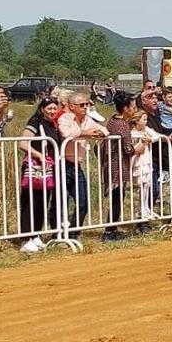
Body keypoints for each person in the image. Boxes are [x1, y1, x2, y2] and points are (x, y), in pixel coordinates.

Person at [57, 92, 108, 239]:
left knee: (83, 201)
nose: (86, 107)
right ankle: (58, 234)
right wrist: (85, 133)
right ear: (72, 106)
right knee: (61, 201)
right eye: (82, 105)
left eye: (87, 104)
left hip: (77, 165)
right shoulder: (64, 118)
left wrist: (100, 133)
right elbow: (66, 133)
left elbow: (103, 129)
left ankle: (73, 233)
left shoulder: (87, 119)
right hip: (62, 164)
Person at [17, 97, 62, 254]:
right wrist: (39, 156)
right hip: (34, 167)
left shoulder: (53, 124)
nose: (52, 111)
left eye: (54, 108)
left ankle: (36, 233)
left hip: (48, 169)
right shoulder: (35, 121)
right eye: (49, 108)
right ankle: (25, 237)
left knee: (43, 201)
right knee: (30, 202)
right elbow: (23, 143)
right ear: (42, 109)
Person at [101, 91, 146, 240]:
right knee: (117, 197)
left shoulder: (113, 120)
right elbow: (128, 149)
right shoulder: (123, 125)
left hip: (111, 163)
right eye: (132, 107)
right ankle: (110, 231)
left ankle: (111, 229)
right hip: (118, 165)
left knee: (117, 197)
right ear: (126, 109)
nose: (134, 109)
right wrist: (137, 149)